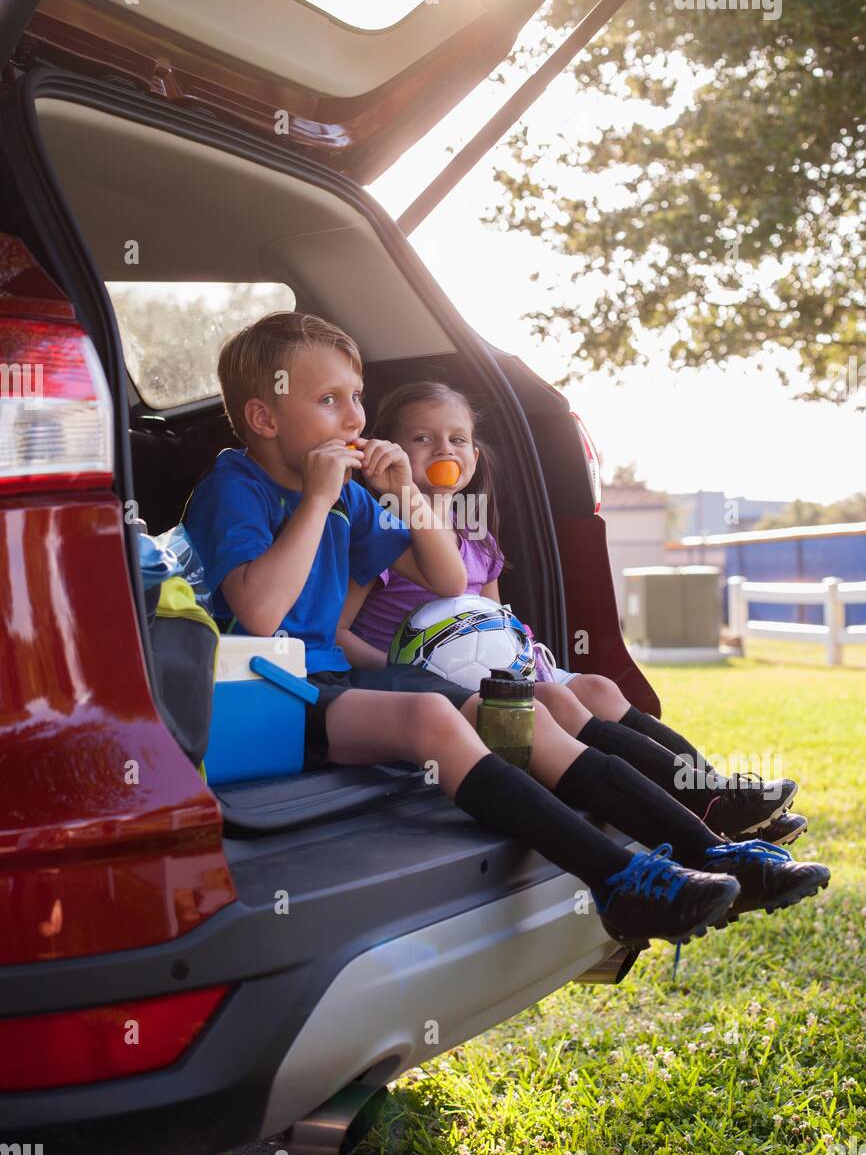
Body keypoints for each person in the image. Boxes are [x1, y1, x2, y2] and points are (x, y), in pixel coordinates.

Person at [183, 313, 829, 951]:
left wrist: (405, 491)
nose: (355, 418)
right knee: (432, 721)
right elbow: (259, 612)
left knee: (520, 714)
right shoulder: (235, 489)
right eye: (329, 401)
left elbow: (445, 579)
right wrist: (318, 501)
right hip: (269, 689)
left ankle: (713, 849)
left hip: (329, 679)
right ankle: (616, 881)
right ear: (264, 420)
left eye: (356, 397)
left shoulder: (350, 496)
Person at [342, 379, 808, 846]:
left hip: (500, 675)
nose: (444, 449)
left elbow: (496, 622)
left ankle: (715, 796)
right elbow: (338, 632)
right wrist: (402, 669)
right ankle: (705, 814)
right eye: (423, 438)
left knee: (600, 688)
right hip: (425, 686)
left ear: (475, 457)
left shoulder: (477, 538)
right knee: (561, 701)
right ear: (390, 452)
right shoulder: (386, 534)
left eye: (457, 438)